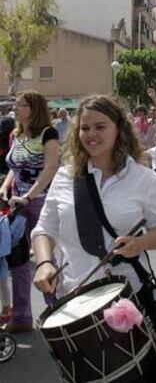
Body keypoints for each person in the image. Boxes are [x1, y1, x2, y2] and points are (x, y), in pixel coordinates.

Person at [31, 95, 156, 301]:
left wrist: (139, 243)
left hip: (129, 295)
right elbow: (45, 228)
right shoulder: (65, 177)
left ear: (119, 129)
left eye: (100, 127)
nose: (91, 134)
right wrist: (44, 263)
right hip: (74, 295)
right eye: (85, 128)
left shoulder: (146, 179)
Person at [0, 90, 60, 333]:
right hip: (18, 204)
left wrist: (29, 196)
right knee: (19, 261)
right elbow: (15, 167)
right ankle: (22, 317)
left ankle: (56, 310)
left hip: (42, 202)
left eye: (22, 104)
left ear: (34, 108)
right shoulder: (17, 134)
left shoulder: (48, 133)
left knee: (46, 259)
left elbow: (51, 167)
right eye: (16, 104)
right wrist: (5, 185)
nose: (17, 108)